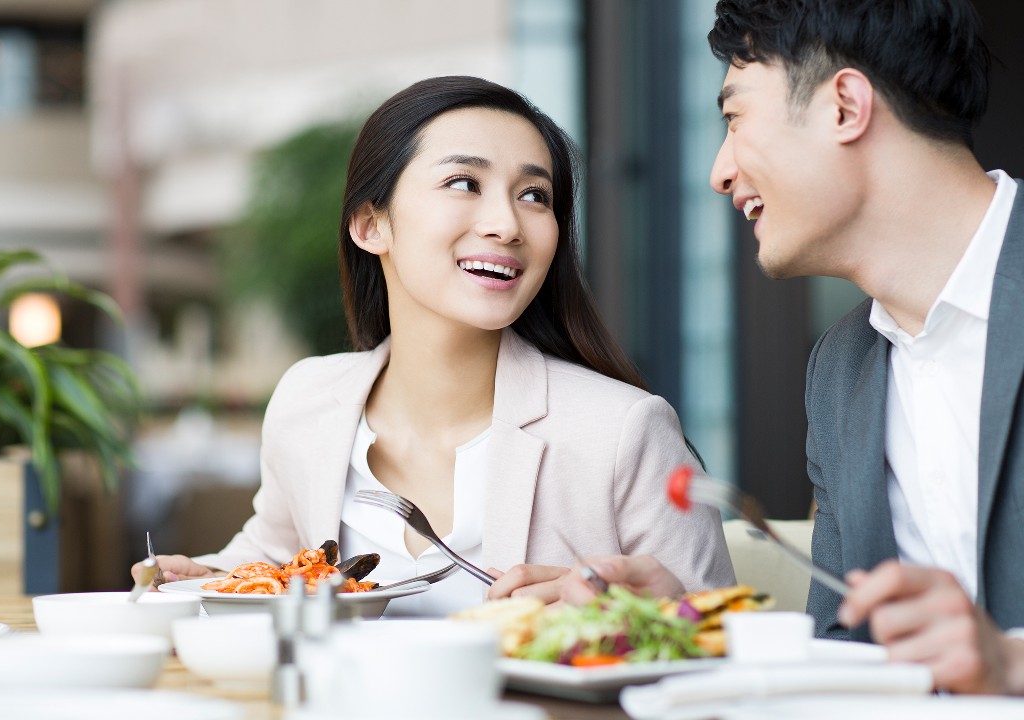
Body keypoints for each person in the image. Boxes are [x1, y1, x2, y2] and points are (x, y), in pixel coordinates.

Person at [556, 0, 1024, 696]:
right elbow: (843, 650)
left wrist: (1010, 665)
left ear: (844, 106)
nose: (720, 172)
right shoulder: (840, 370)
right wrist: (683, 629)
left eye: (734, 117)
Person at [139, 75, 733, 616]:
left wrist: (648, 613)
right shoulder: (308, 398)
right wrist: (210, 575)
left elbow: (720, 634)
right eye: (463, 183)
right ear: (371, 225)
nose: (506, 223)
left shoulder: (623, 429)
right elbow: (272, 553)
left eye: (534, 195)